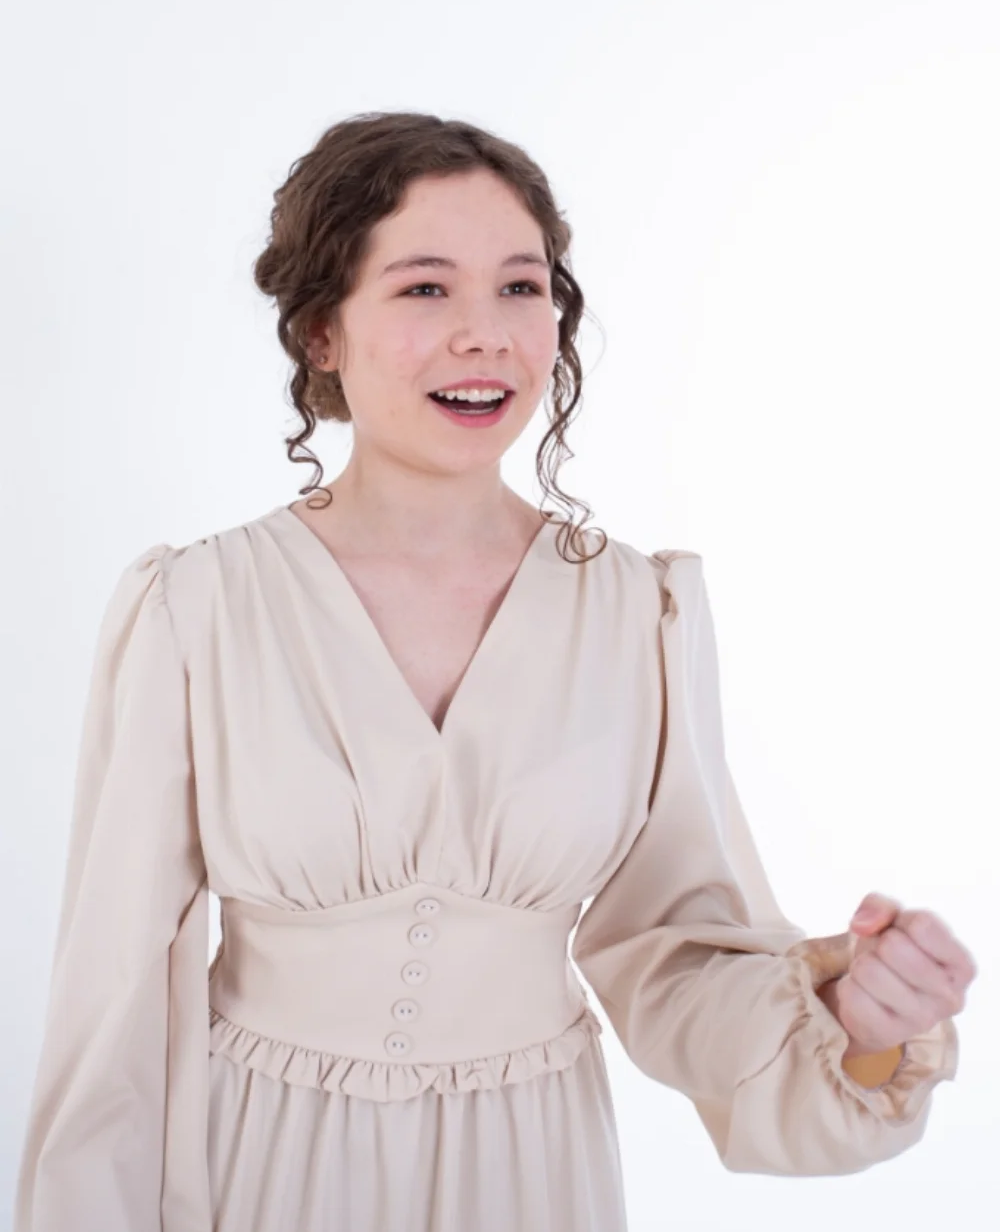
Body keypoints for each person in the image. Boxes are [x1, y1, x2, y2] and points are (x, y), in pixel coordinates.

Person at [13, 112, 968, 1232]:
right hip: (260, 1160)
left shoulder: (637, 612)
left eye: (521, 287)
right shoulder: (198, 604)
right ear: (322, 331)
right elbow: (114, 996)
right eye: (425, 288)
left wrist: (852, 1019)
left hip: (531, 1170)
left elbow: (673, 956)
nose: (485, 334)